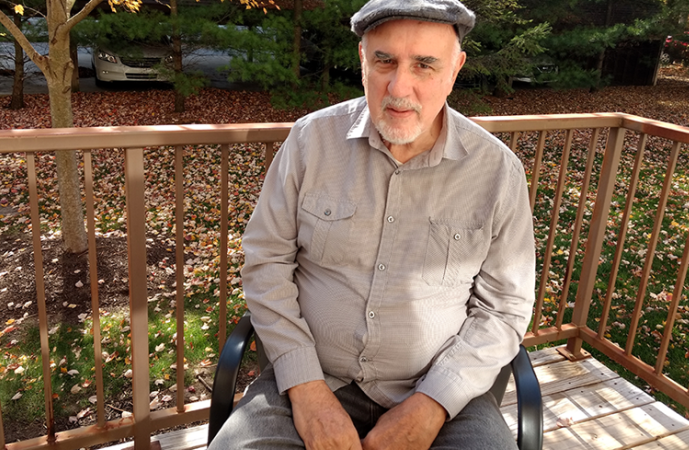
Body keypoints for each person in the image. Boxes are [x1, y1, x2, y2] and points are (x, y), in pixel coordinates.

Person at [209, 0, 535, 448]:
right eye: (385, 61)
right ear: (363, 60)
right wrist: (306, 390)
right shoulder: (310, 142)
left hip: (441, 393)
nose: (399, 87)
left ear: (455, 69)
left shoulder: (497, 172)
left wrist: (432, 405)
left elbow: (504, 310)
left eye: (425, 65)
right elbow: (266, 264)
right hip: (311, 379)